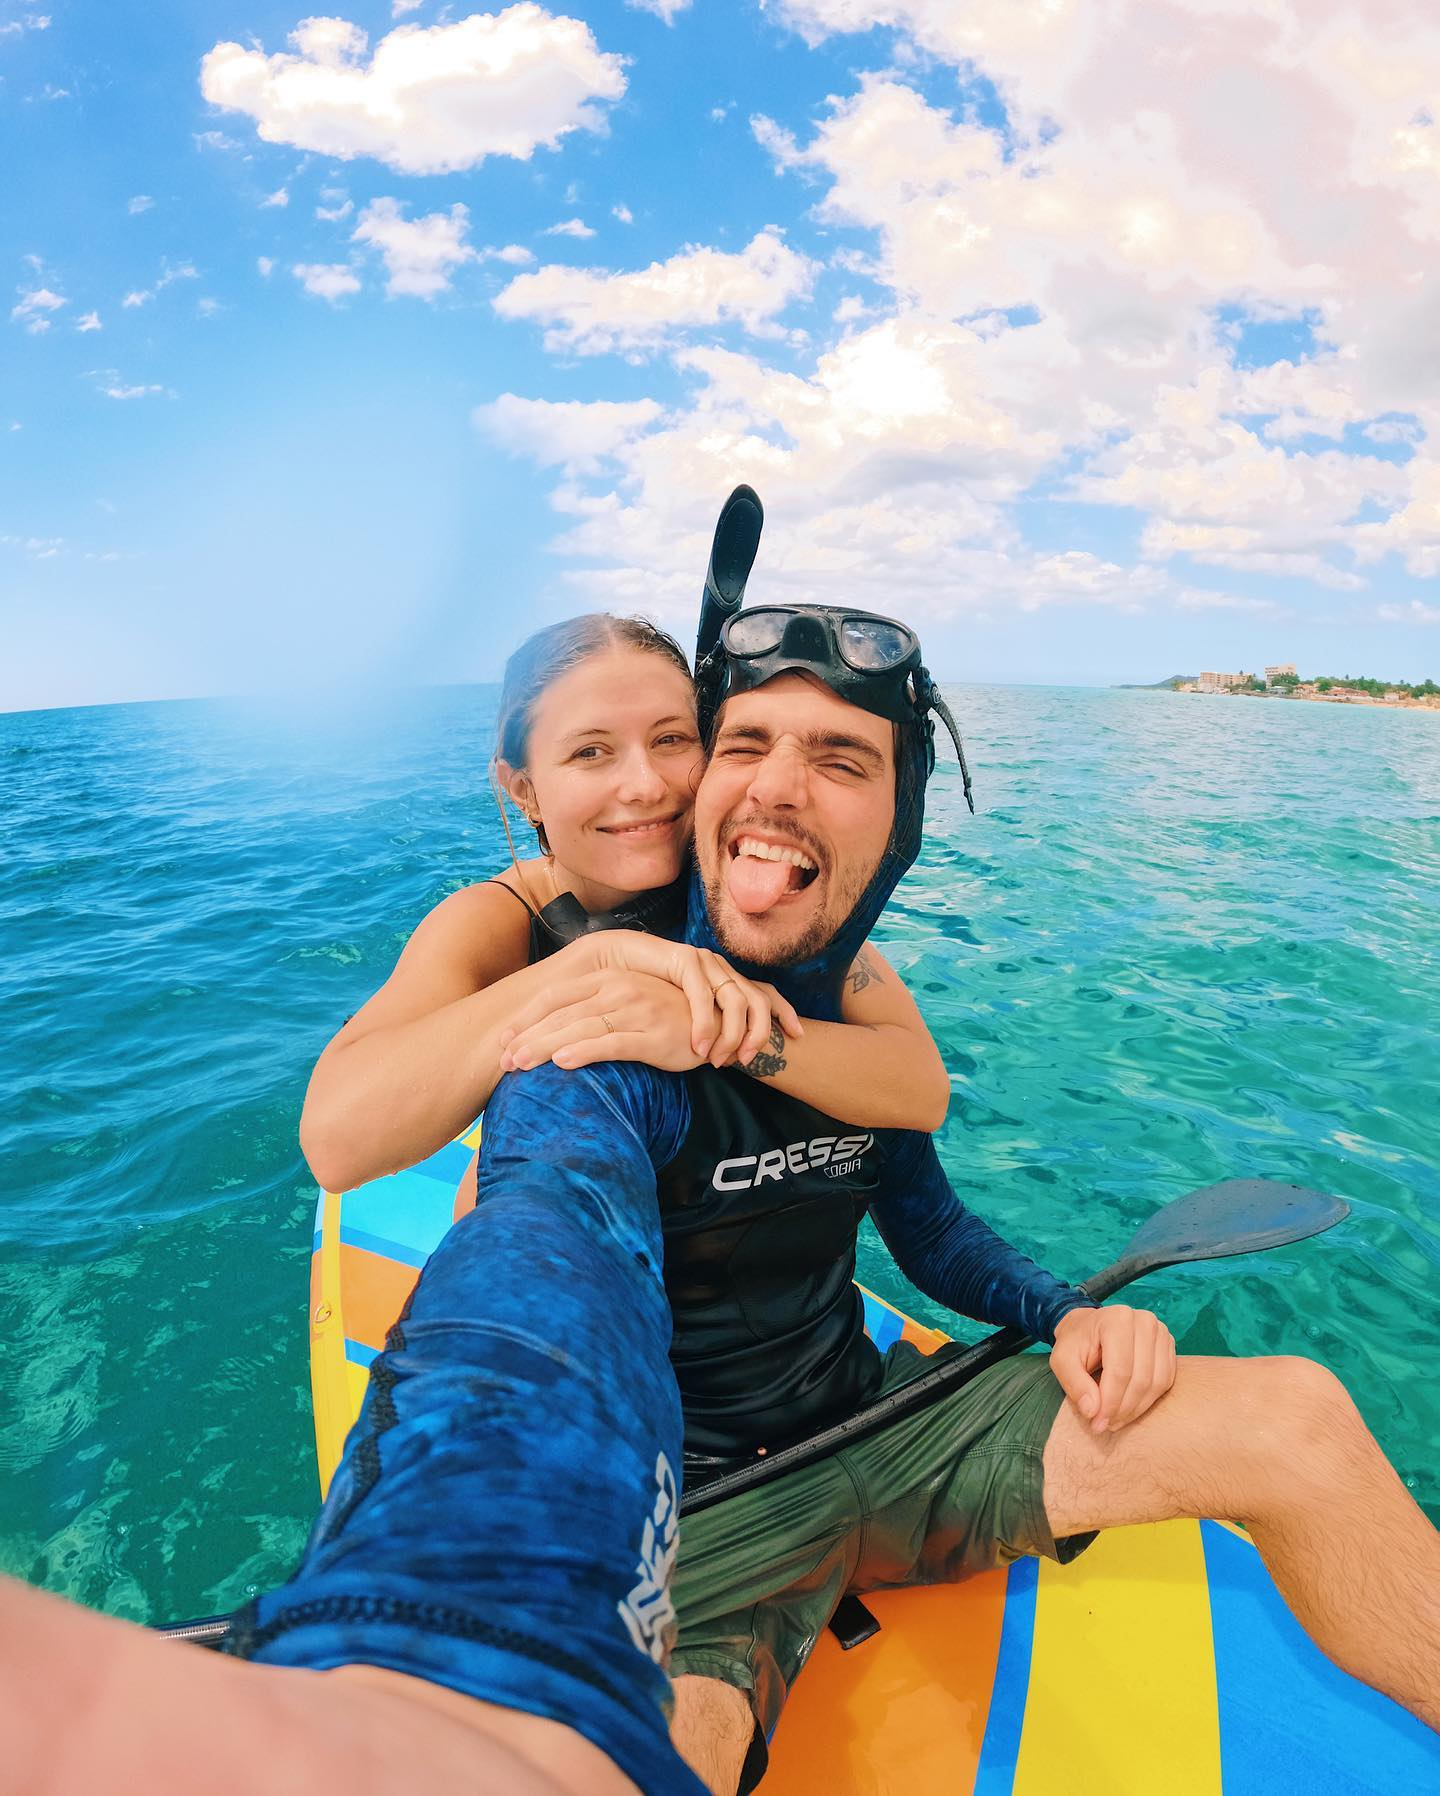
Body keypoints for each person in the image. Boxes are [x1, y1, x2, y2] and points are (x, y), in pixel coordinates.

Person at [456, 594, 1440, 1791]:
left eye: (840, 759)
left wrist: (1065, 1312)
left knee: (1299, 1416)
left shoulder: (855, 1003)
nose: (778, 787)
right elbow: (543, 1228)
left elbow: (924, 1223)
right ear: (703, 782)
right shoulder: (605, 1037)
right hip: (699, 1517)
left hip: (888, 1419)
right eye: (747, 743)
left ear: (894, 824)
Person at [299, 613, 950, 1202]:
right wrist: (596, 958)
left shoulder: (742, 891)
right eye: (591, 752)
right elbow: (337, 1147)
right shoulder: (496, 919)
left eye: (672, 740)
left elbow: (918, 1087)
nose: (644, 786)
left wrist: (723, 1035)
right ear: (523, 789)